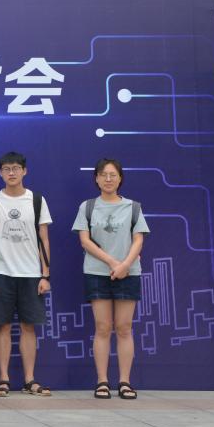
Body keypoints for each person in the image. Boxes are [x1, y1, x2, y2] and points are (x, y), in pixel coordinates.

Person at [72, 158, 149, 400]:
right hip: (97, 272)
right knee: (103, 327)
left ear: (120, 178)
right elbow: (85, 241)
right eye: (103, 175)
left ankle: (125, 381)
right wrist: (113, 263)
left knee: (124, 328)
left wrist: (125, 265)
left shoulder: (133, 207)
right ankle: (102, 381)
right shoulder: (87, 207)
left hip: (128, 273)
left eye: (112, 175)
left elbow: (139, 239)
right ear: (96, 178)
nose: (108, 179)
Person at [0, 152, 53, 397]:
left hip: (31, 273)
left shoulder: (37, 200)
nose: (11, 173)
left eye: (15, 168)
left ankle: (30, 379)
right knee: (2, 326)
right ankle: (3, 378)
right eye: (6, 169)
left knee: (28, 327)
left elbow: (44, 239)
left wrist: (45, 275)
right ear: (0, 173)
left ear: (25, 171)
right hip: (0, 271)